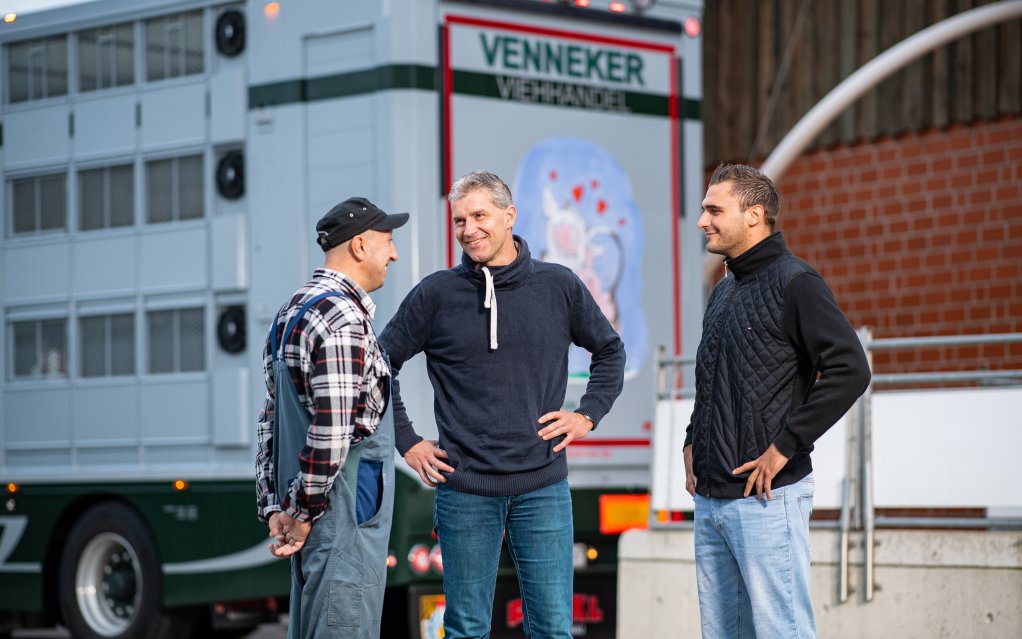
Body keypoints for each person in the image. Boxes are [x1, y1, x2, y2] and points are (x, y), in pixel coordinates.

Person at [379, 171, 625, 638]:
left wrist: (587, 414)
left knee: (552, 629)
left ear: (509, 216)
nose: (468, 229)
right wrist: (406, 441)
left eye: (479, 216)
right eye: (458, 220)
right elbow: (376, 365)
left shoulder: (559, 286)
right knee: (466, 629)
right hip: (465, 490)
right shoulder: (436, 295)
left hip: (543, 487)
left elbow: (610, 350)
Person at [684, 164, 871, 638]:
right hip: (712, 500)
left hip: (769, 500)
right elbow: (715, 374)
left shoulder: (796, 282)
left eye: (713, 210)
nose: (703, 220)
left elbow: (851, 368)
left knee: (780, 632)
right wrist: (692, 440)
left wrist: (786, 443)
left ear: (754, 215)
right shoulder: (723, 290)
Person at [255, 197, 408, 638]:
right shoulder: (343, 319)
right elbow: (333, 430)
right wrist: (301, 513)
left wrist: (275, 508)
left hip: (311, 512)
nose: (393, 254)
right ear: (359, 246)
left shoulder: (290, 312)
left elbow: (271, 420)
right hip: (343, 518)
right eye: (388, 241)